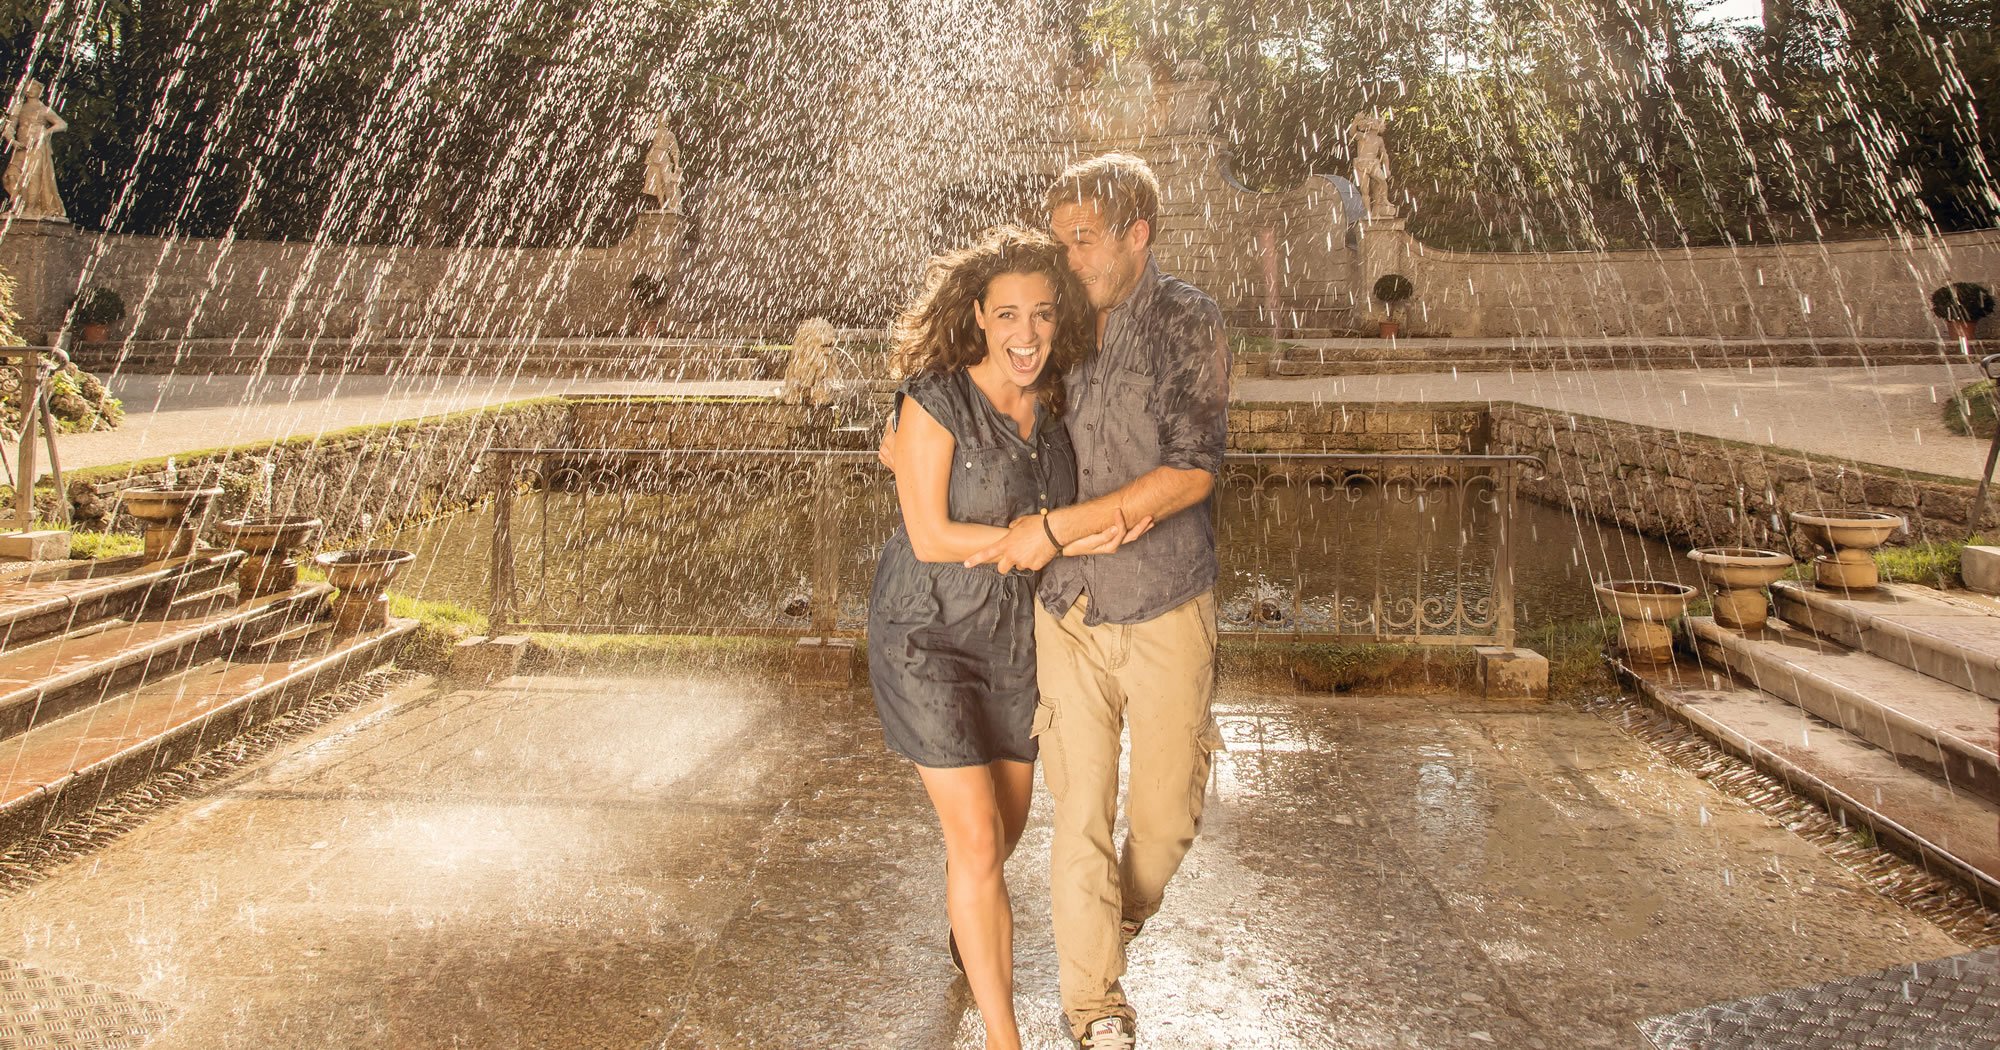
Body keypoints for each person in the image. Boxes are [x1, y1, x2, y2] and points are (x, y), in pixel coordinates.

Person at [964, 153, 1230, 1050]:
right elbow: (975, 378)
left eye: (1082, 239)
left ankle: (1103, 930)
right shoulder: (1057, 326)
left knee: (1161, 825)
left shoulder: (1186, 321)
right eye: (1061, 238)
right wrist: (910, 425)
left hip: (1163, 604)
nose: (1067, 256)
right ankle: (1095, 1007)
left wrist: (1065, 523)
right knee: (1076, 816)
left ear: (1136, 236)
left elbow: (1190, 470)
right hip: (1068, 608)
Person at [869, 224, 1149, 1050]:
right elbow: (928, 535)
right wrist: (1038, 536)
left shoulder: (1062, 406)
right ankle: (1002, 1035)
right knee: (980, 837)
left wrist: (1076, 534)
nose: (1026, 335)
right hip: (927, 631)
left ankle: (970, 910)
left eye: (1043, 315)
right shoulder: (936, 398)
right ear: (980, 319)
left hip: (1016, 641)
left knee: (1003, 832)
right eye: (1009, 317)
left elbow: (1082, 510)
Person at [3, 79, 68, 221]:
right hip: (21, 146)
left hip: (38, 146)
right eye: (28, 87)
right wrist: (12, 140)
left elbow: (62, 124)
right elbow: (10, 126)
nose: (30, 90)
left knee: (33, 176)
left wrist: (45, 132)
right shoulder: (19, 107)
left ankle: (31, 208)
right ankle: (17, 204)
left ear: (40, 91)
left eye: (34, 87)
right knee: (11, 175)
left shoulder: (43, 109)